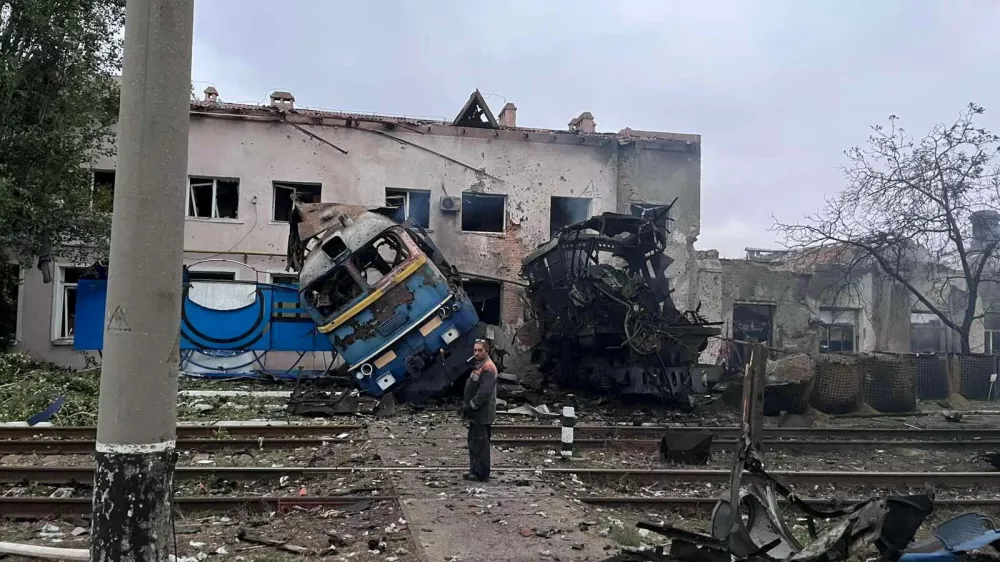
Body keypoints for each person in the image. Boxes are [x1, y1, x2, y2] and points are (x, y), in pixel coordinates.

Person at [461, 338, 497, 482]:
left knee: (481, 444)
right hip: (476, 414)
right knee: (474, 442)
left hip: (482, 413)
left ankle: (481, 473)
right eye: (475, 350)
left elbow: (484, 393)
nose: (476, 353)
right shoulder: (478, 366)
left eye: (480, 350)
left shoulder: (488, 368)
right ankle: (474, 470)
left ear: (486, 351)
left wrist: (471, 406)